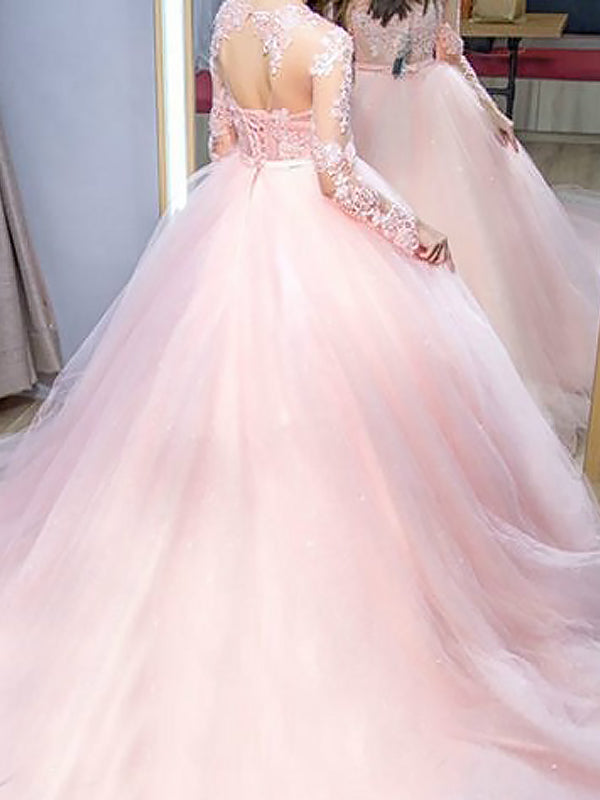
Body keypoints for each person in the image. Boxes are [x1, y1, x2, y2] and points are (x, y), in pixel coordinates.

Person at [1, 0, 600, 796]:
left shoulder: (226, 23)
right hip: (307, 228)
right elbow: (337, 177)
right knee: (343, 413)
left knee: (203, 401)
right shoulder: (324, 44)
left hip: (230, 223)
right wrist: (413, 231)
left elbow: (220, 145)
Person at [336, 0, 600, 445]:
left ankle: (457, 368)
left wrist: (489, 111)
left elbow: (453, 54)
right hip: (360, 113)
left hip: (426, 110)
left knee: (461, 237)